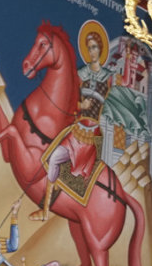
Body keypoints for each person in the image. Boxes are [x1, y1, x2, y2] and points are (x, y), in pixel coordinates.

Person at [33, 27, 113, 221]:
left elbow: (110, 106)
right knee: (53, 158)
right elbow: (71, 101)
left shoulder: (109, 77)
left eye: (95, 47)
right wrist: (80, 105)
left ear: (101, 49)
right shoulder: (80, 74)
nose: (92, 52)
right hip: (77, 131)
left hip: (92, 134)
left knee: (82, 176)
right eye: (89, 48)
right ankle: (45, 210)